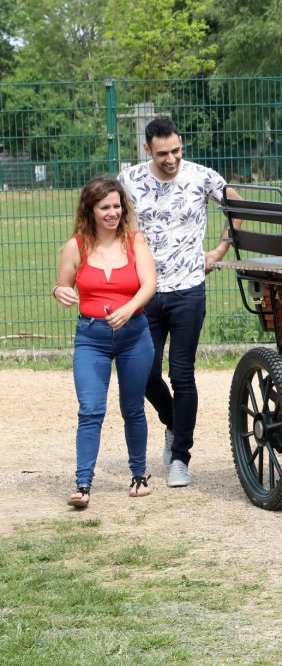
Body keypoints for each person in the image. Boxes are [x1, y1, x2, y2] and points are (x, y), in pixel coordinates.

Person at [119, 117, 240, 488]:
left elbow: (239, 206)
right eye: (162, 153)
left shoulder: (202, 176)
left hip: (188, 288)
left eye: (176, 151)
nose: (170, 159)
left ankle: (180, 457)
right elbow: (109, 220)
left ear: (181, 145)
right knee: (144, 372)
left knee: (182, 373)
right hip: (144, 291)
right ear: (147, 150)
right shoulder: (129, 180)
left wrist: (219, 250)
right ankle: (172, 422)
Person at [53, 177, 158, 507]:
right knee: (90, 410)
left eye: (117, 206)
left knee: (132, 408)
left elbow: (149, 285)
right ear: (90, 210)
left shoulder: (135, 240)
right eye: (104, 207)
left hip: (134, 335)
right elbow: (61, 285)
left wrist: (128, 310)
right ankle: (83, 485)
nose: (112, 213)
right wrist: (60, 291)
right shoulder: (76, 245)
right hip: (91, 338)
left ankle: (139, 476)